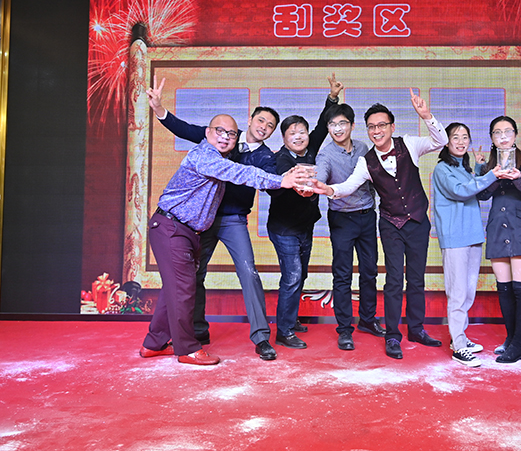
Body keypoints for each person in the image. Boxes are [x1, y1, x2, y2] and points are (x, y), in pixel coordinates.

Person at [139, 107, 305, 366]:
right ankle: (189, 345)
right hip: (177, 227)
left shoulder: (259, 155)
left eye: (230, 134)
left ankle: (154, 342)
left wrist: (290, 184)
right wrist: (161, 111)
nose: (226, 137)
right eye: (220, 132)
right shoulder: (208, 155)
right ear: (208, 133)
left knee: (186, 284)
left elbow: (262, 180)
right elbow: (239, 172)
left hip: (209, 224)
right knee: (185, 285)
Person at [312, 89, 448, 359]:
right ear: (367, 130)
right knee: (394, 280)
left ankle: (417, 329)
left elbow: (440, 141)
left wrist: (426, 116)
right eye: (372, 127)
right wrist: (328, 190)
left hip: (418, 221)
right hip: (389, 224)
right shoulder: (366, 160)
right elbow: (349, 185)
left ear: (392, 127)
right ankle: (393, 335)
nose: (377, 131)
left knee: (417, 279)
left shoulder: (409, 144)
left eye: (381, 125)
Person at [267, 75, 339, 350]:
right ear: (284, 139)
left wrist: (332, 98)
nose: (298, 137)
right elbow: (274, 188)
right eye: (292, 134)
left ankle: (291, 318)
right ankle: (284, 331)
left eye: (302, 132)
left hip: (305, 226)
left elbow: (322, 124)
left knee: (301, 274)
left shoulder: (311, 149)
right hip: (284, 228)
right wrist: (293, 185)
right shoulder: (280, 159)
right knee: (292, 276)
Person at [316, 90, 386, 351]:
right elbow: (321, 177)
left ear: (352, 125)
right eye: (332, 124)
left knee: (370, 272)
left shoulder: (363, 148)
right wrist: (316, 184)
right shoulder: (325, 155)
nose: (337, 128)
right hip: (342, 220)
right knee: (342, 274)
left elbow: (375, 180)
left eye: (342, 123)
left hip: (367, 217)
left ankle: (367, 319)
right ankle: (345, 329)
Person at [432, 122, 502, 367]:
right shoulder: (442, 169)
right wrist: (491, 174)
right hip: (455, 238)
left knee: (468, 292)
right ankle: (459, 347)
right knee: (458, 293)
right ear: (446, 142)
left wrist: (481, 167)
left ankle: (458, 337)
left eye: (465, 137)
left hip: (472, 236)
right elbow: (461, 191)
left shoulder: (465, 168)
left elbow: (475, 186)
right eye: (455, 137)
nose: (461, 142)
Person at [476, 116, 521, 364]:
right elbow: (482, 195)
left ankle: (519, 345)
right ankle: (511, 339)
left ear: (515, 135)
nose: (502, 136)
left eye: (507, 131)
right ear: (492, 138)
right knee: (504, 288)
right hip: (497, 227)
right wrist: (493, 175)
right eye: (497, 132)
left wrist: (517, 177)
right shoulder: (488, 165)